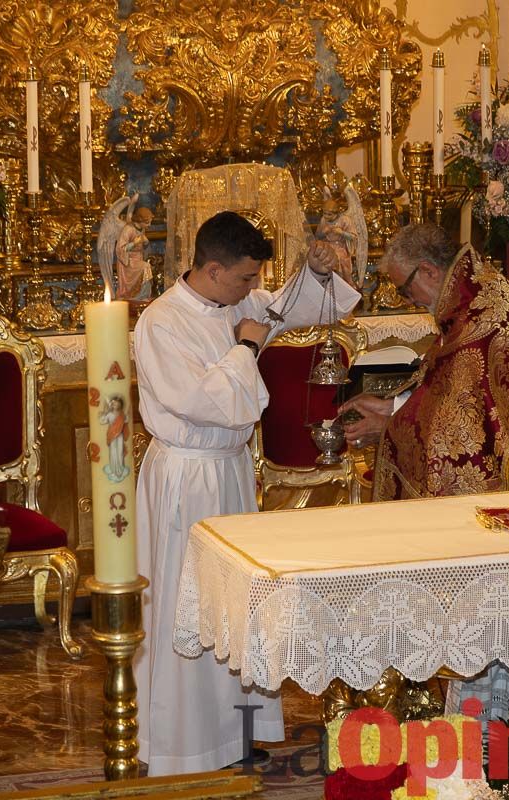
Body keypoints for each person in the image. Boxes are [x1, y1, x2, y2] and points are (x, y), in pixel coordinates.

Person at [132, 211, 360, 776]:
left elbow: (294, 307)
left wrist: (315, 271)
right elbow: (203, 399)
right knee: (190, 601)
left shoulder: (234, 304)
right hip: (188, 475)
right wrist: (246, 349)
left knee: (237, 602)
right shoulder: (161, 323)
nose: (252, 290)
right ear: (212, 269)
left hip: (229, 471)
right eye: (243, 280)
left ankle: (236, 730)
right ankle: (187, 741)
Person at [338, 223, 509, 720]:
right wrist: (393, 407)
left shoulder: (488, 314)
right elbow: (443, 389)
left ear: (427, 270)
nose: (410, 299)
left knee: (497, 621)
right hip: (492, 488)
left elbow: (455, 433)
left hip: (503, 497)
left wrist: (392, 429)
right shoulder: (467, 306)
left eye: (405, 287)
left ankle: (501, 732)